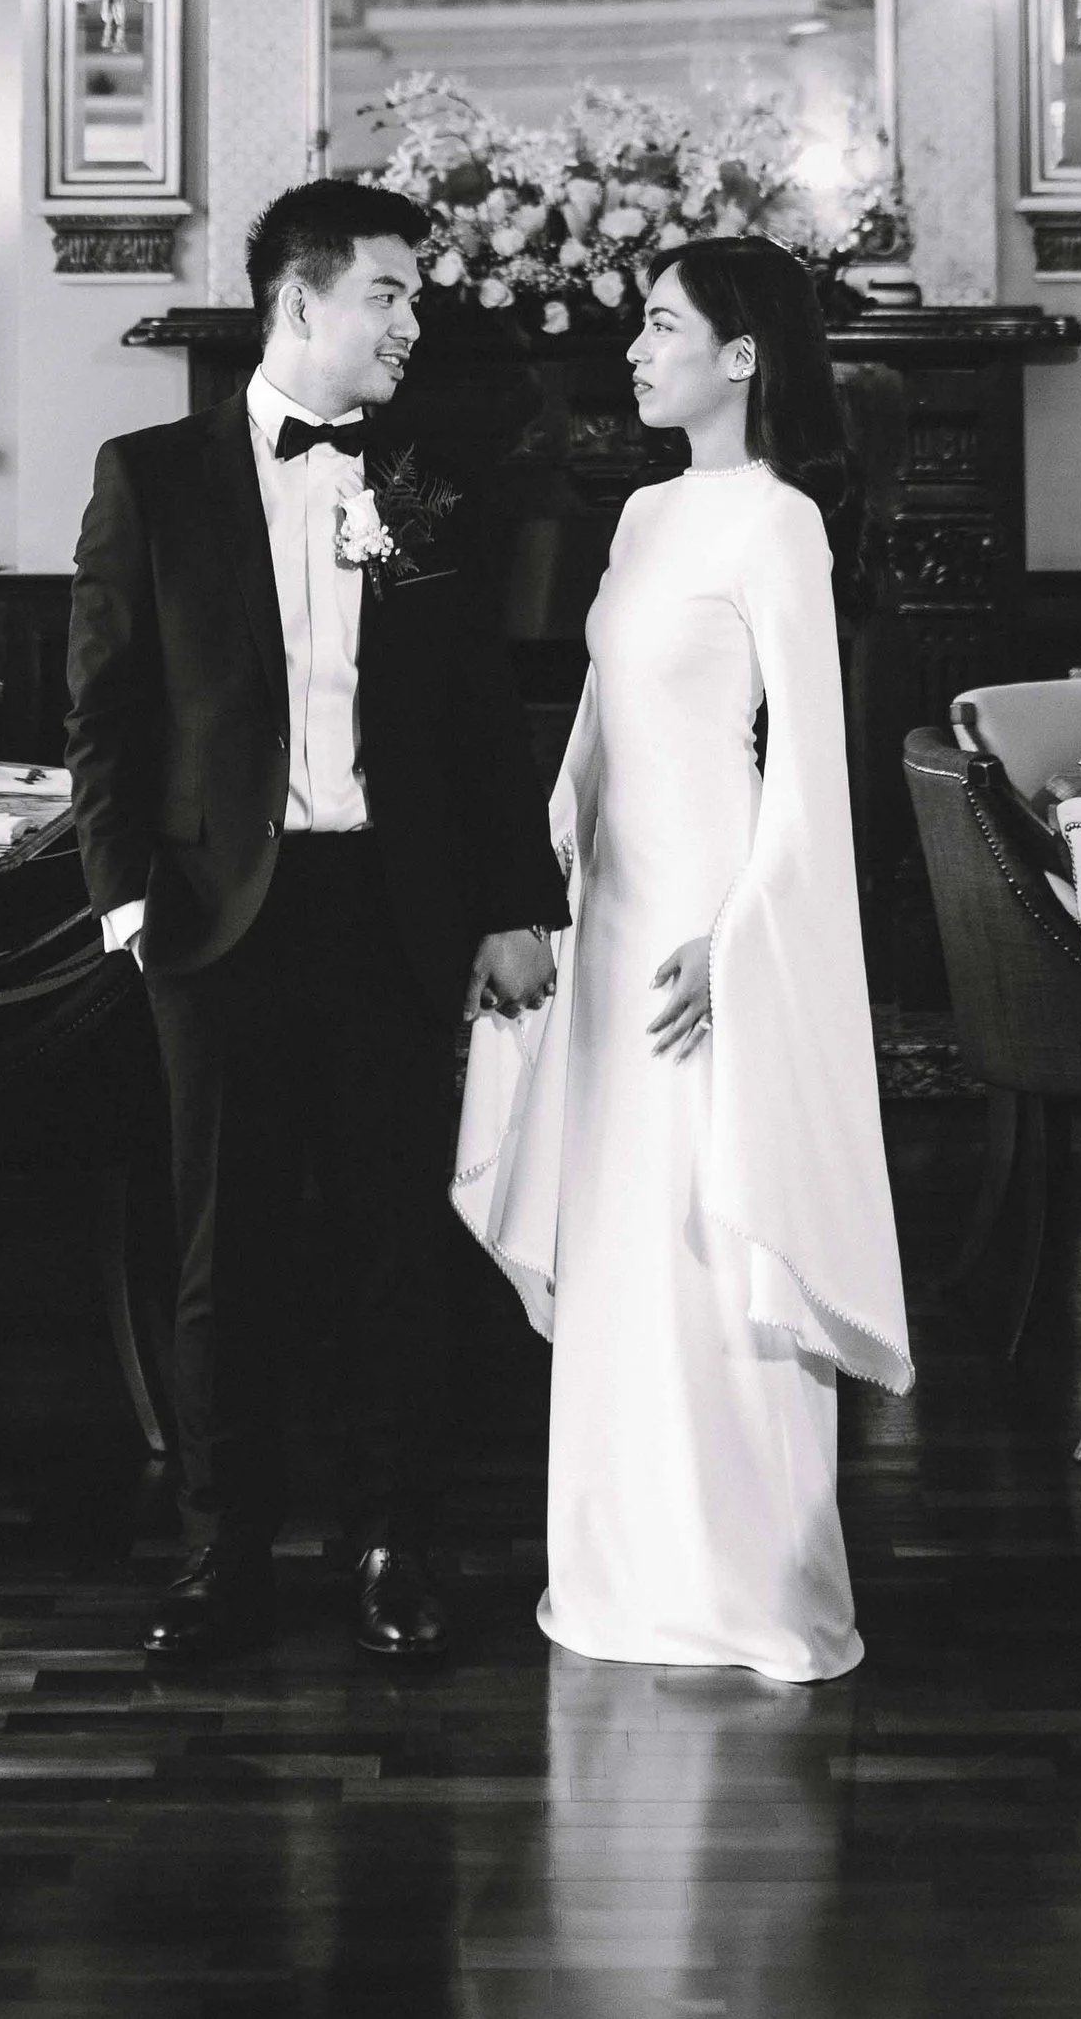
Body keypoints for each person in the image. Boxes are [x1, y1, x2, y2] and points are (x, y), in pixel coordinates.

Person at [64, 181, 568, 1666]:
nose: (414, 320)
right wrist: (125, 911)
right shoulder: (149, 474)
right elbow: (106, 713)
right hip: (214, 920)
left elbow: (480, 715)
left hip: (394, 914)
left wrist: (512, 908)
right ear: (303, 302)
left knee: (394, 1242)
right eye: (391, 294)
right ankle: (224, 1554)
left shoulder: (424, 479)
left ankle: (391, 1540)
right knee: (225, 1253)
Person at [454, 236, 910, 1682]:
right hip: (612, 918)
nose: (634, 352)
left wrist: (739, 939)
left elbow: (811, 769)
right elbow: (597, 714)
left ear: (743, 353)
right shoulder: (644, 511)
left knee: (717, 1239)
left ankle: (748, 1586)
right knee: (624, 1244)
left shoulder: (778, 523)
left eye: (660, 325)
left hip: (711, 929)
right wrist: (546, 865)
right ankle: (618, 1570)